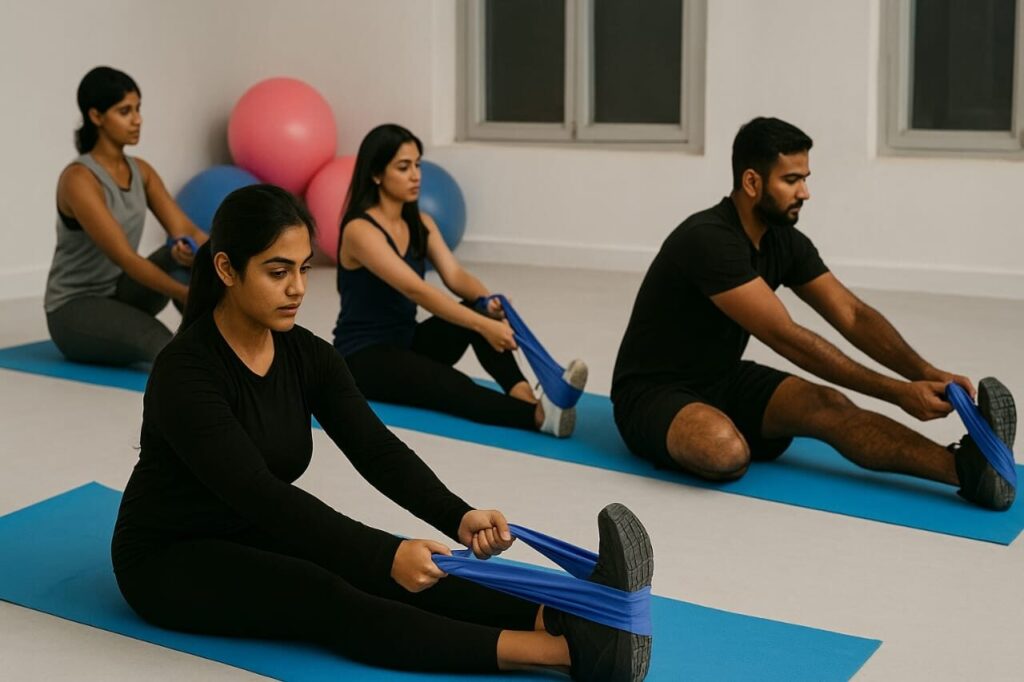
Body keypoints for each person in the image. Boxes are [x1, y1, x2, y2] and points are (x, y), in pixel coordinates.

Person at [111, 184, 654, 680]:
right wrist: (381, 555)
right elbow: (260, 492)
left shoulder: (307, 355)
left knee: (423, 567)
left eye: (303, 268)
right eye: (278, 272)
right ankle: (574, 653)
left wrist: (456, 514)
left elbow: (376, 448)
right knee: (329, 593)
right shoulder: (185, 371)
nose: (298, 288)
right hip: (169, 556)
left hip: (256, 528)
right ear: (227, 269)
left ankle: (558, 615)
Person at [611, 116, 1017, 511]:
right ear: (752, 182)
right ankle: (705, 429)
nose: (804, 192)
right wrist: (896, 393)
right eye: (791, 180)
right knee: (725, 451)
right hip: (652, 392)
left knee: (828, 404)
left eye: (805, 178)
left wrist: (925, 373)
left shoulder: (783, 241)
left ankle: (966, 471)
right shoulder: (708, 240)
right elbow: (786, 337)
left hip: (721, 376)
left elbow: (852, 314)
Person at [333, 124, 586, 438]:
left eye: (417, 165)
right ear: (376, 174)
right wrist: (483, 326)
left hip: (408, 341)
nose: (416, 175)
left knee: (478, 311)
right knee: (451, 384)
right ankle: (537, 417)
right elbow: (417, 290)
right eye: (403, 167)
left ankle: (526, 396)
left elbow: (455, 276)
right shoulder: (360, 231)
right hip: (364, 359)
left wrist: (487, 303)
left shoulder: (420, 223)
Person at [44, 66, 207, 366]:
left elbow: (187, 231)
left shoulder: (141, 171)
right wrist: (187, 293)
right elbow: (127, 259)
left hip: (121, 292)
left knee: (181, 255)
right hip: (74, 309)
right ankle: (198, 368)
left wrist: (233, 260)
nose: (137, 119)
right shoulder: (79, 180)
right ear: (96, 117)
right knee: (160, 341)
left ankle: (219, 343)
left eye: (138, 109)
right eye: (125, 111)